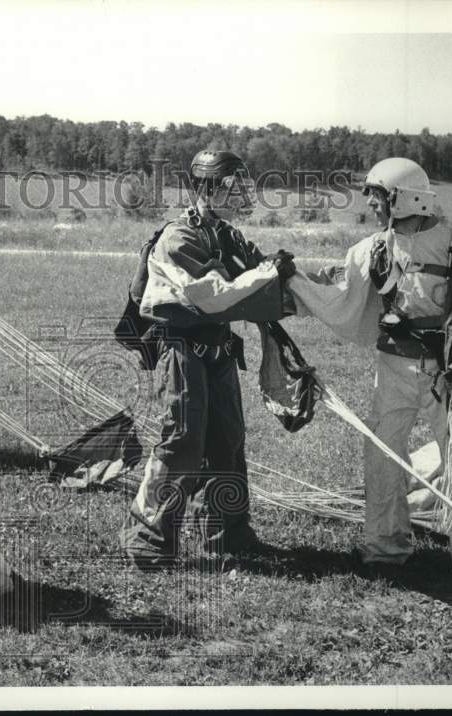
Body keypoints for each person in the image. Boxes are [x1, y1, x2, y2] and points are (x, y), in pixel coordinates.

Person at [119, 149, 296, 569]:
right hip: (181, 352)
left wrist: (288, 276)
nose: (241, 195)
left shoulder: (227, 235)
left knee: (228, 442)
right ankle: (147, 539)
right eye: (232, 187)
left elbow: (262, 278)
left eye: (242, 186)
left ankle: (226, 533)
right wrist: (266, 273)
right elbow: (210, 296)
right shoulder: (177, 238)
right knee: (181, 442)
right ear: (206, 188)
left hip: (218, 351)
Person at [356, 157, 452, 568]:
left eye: (376, 197)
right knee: (382, 456)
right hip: (392, 368)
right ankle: (385, 550)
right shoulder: (375, 245)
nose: (370, 205)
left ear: (401, 198)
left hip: (448, 375)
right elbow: (338, 288)